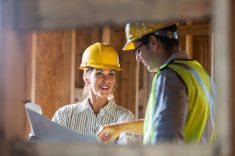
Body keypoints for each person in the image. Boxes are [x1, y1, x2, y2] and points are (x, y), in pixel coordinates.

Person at [97, 22, 216, 145]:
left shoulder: (169, 77)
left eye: (138, 50)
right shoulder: (200, 74)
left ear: (153, 42)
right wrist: (121, 127)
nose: (138, 57)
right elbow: (165, 123)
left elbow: (165, 142)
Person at [30, 43, 137, 145]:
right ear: (86, 78)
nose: (106, 80)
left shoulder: (124, 118)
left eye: (111, 74)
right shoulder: (65, 116)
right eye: (99, 73)